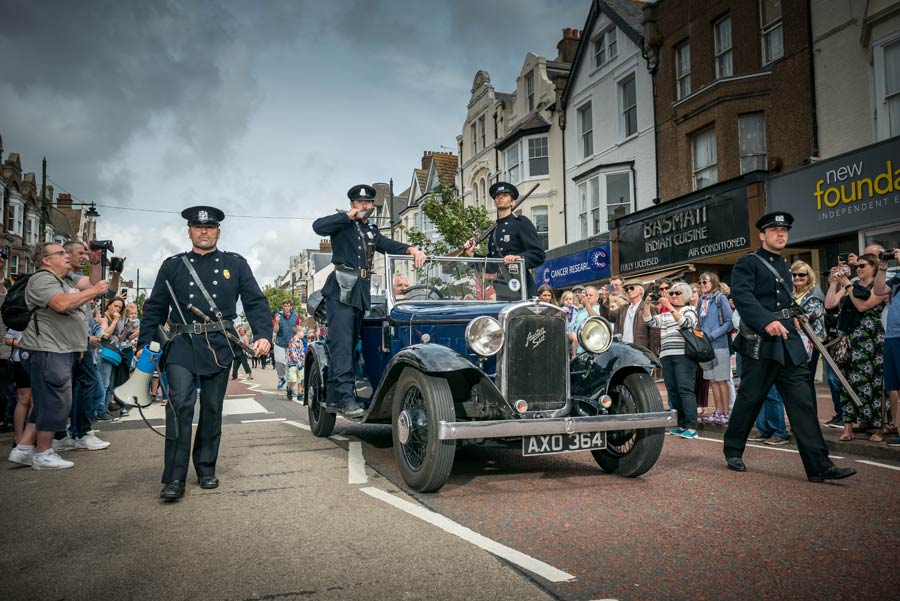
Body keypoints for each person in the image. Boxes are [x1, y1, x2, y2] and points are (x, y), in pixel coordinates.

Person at [138, 205, 272, 501]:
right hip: (182, 345)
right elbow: (155, 309)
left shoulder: (235, 264)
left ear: (217, 232)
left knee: (212, 409)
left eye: (209, 228)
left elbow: (256, 302)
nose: (204, 231)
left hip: (220, 345)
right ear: (189, 232)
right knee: (180, 406)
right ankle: (174, 477)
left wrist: (264, 335)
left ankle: (206, 468)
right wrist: (145, 345)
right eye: (198, 228)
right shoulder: (172, 265)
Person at [723, 211, 855, 482]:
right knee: (750, 399)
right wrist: (766, 321)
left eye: (784, 230)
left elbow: (782, 300)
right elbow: (744, 298)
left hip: (788, 342)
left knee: (803, 403)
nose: (780, 234)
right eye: (774, 230)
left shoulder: (784, 264)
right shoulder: (747, 263)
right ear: (762, 235)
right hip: (762, 343)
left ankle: (819, 466)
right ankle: (733, 450)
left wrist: (794, 314)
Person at [312, 185, 426, 416]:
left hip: (360, 291)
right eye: (359, 202)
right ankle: (345, 399)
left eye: (368, 202)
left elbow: (388, 245)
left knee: (351, 344)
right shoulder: (342, 224)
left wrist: (412, 249)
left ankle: (336, 398)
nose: (365, 205)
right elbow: (318, 226)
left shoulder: (371, 231)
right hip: (342, 289)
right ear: (352, 203)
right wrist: (346, 216)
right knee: (342, 346)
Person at [8, 243, 109, 469]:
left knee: (46, 401)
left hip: (62, 349)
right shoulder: (42, 279)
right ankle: (43, 452)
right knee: (56, 401)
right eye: (60, 253)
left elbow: (92, 283)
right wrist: (93, 292)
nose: (67, 256)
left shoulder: (66, 279)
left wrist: (95, 264)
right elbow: (60, 304)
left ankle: (24, 449)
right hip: (48, 349)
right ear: (46, 260)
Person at [825, 252, 889, 442]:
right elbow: (830, 304)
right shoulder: (851, 284)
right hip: (849, 338)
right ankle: (848, 427)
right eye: (857, 266)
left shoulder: (878, 286)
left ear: (874, 267)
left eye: (863, 266)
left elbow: (863, 306)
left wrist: (846, 283)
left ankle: (877, 427)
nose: (859, 269)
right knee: (846, 382)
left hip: (870, 338)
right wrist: (834, 283)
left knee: (874, 381)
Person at [463, 182, 545, 299]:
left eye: (505, 195)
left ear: (513, 202)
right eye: (497, 196)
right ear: (495, 202)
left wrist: (519, 258)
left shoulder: (521, 223)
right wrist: (472, 255)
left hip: (522, 287)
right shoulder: (494, 231)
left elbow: (538, 254)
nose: (500, 197)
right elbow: (492, 266)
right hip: (501, 288)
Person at [643, 282, 700, 438]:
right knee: (673, 391)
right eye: (672, 293)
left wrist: (669, 306)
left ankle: (692, 427)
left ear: (686, 296)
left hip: (684, 355)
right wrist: (647, 304)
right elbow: (650, 322)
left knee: (685, 390)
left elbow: (686, 323)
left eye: (677, 293)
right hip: (667, 355)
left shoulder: (690, 310)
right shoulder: (667, 313)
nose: (673, 295)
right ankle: (681, 424)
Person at [696, 272, 734, 425]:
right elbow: (699, 322)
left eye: (705, 282)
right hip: (705, 347)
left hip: (719, 345)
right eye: (700, 282)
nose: (702, 285)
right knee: (712, 380)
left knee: (721, 380)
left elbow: (729, 322)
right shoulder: (701, 300)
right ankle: (718, 411)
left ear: (713, 282)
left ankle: (725, 412)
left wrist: (712, 335)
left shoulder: (720, 298)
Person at [874, 248, 900, 446]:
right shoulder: (897, 277)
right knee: (895, 388)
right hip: (891, 338)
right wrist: (883, 267)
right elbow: (879, 291)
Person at [601, 279, 660, 355]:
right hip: (623, 351)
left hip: (641, 351)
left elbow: (654, 334)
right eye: (626, 289)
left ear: (640, 291)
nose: (629, 291)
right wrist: (605, 299)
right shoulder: (622, 309)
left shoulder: (649, 308)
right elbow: (608, 317)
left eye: (631, 288)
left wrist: (653, 355)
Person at [272, 300, 299, 390]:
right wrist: (277, 323)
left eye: (288, 306)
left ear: (291, 307)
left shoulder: (295, 315)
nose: (286, 307)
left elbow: (298, 328)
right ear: (283, 306)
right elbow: (275, 330)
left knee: (290, 365)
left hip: (291, 344)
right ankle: (281, 378)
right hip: (280, 342)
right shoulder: (278, 315)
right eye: (285, 306)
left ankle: (289, 385)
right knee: (279, 361)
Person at [286, 325, 307, 401]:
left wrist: (303, 361)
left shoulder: (301, 341)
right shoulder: (292, 341)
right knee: (293, 379)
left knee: (300, 379)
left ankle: (300, 393)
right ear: (298, 333)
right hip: (293, 364)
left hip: (300, 363)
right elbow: (292, 352)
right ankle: (290, 389)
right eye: (302, 332)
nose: (303, 334)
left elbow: (302, 352)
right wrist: (297, 361)